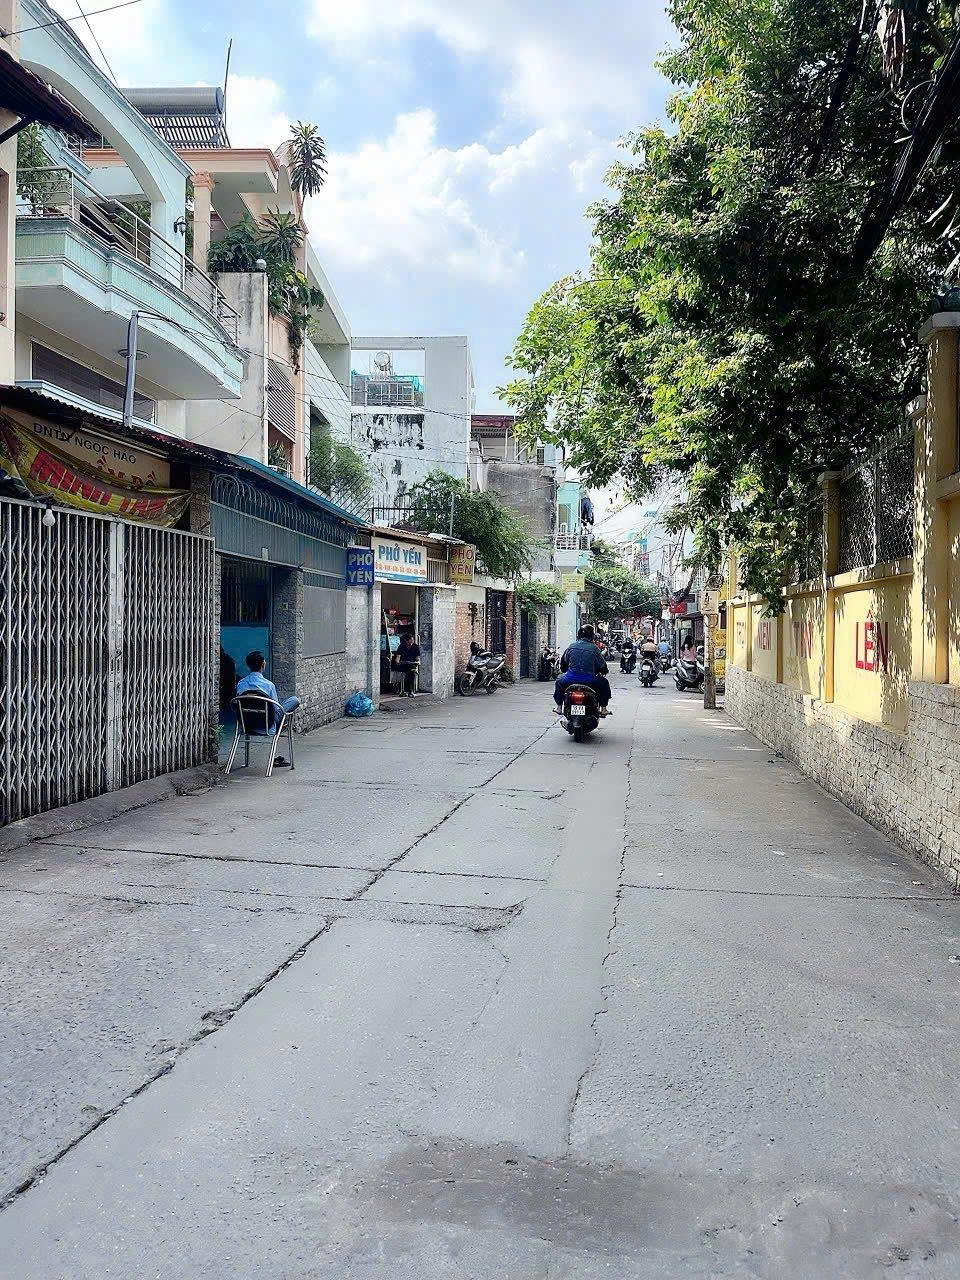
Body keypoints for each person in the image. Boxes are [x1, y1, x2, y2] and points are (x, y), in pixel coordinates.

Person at [235, 651, 300, 764]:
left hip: (247, 724)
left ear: (248, 665)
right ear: (263, 664)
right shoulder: (269, 685)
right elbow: (275, 708)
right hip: (267, 724)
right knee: (294, 700)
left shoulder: (241, 684)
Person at [554, 624, 612, 715]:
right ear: (592, 636)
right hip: (590, 681)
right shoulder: (595, 649)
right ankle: (603, 709)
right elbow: (602, 665)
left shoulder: (571, 646)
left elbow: (564, 662)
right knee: (604, 683)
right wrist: (604, 671)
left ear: (578, 635)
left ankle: (559, 707)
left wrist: (565, 670)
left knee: (558, 682)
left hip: (569, 679)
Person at [392, 632, 421, 697]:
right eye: (410, 641)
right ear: (406, 641)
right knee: (411, 671)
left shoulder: (416, 647)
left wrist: (416, 662)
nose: (411, 643)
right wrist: (398, 662)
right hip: (403, 665)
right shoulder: (401, 646)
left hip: (411, 665)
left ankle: (410, 691)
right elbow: (398, 658)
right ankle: (408, 690)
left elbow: (417, 659)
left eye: (412, 641)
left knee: (411, 671)